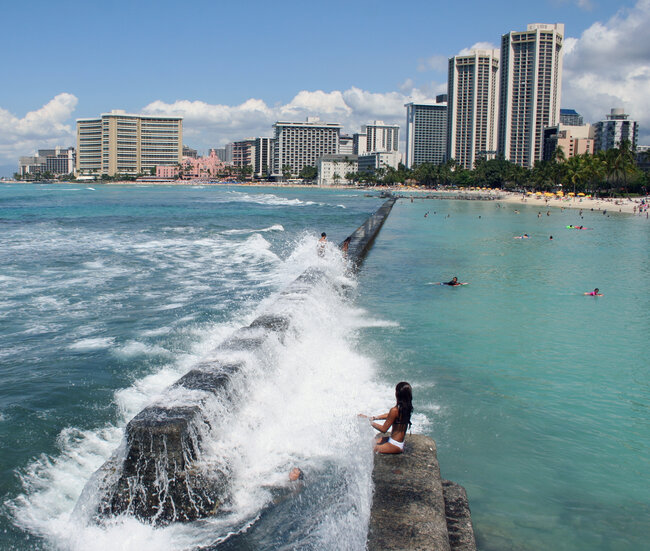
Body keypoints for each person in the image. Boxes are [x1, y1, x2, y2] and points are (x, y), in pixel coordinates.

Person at [360, 382, 413, 454]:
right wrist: (373, 418)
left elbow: (383, 429)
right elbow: (390, 415)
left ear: (397, 394)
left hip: (394, 445)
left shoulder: (394, 410)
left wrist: (368, 422)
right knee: (371, 442)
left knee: (368, 448)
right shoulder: (406, 408)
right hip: (396, 441)